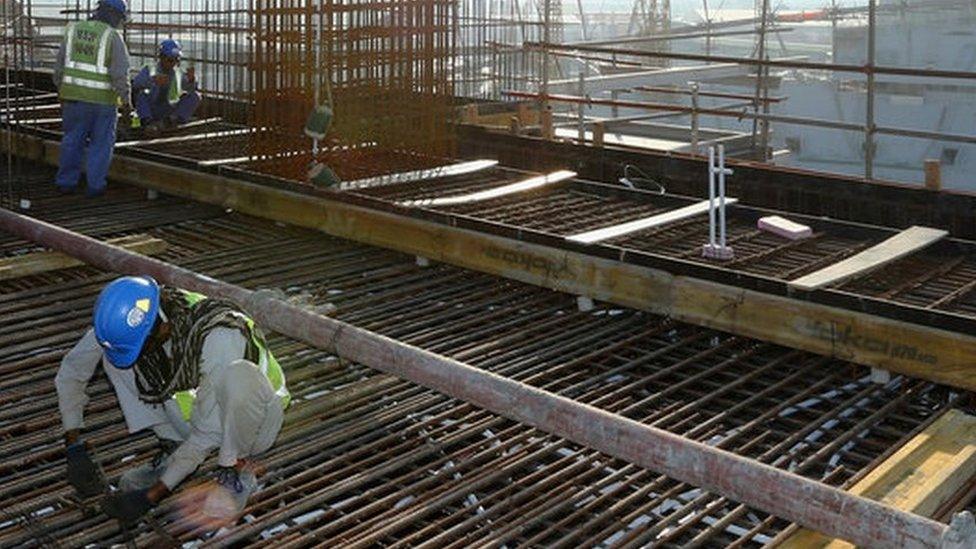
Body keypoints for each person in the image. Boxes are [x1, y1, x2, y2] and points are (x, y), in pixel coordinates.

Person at [57, 276, 290, 524]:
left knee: (239, 378)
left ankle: (235, 472)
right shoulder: (134, 319)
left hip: (256, 422)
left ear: (163, 327)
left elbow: (207, 434)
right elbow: (72, 371)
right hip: (201, 411)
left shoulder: (220, 335)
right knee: (117, 359)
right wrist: (74, 446)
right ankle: (174, 446)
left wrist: (151, 495)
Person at [51, 0, 131, 198]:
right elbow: (120, 74)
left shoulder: (72, 31)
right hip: (103, 102)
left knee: (72, 140)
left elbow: (59, 67)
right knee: (101, 144)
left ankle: (66, 183)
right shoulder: (112, 37)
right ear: (115, 15)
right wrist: (127, 101)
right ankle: (95, 186)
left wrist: (61, 89)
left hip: (74, 99)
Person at [131, 39, 200, 132]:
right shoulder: (150, 69)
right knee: (141, 94)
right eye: (170, 60)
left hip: (169, 109)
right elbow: (135, 85)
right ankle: (148, 123)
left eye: (177, 60)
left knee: (195, 96)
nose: (173, 63)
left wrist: (192, 80)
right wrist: (152, 81)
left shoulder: (178, 72)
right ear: (162, 57)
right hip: (152, 108)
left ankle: (171, 121)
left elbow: (191, 89)